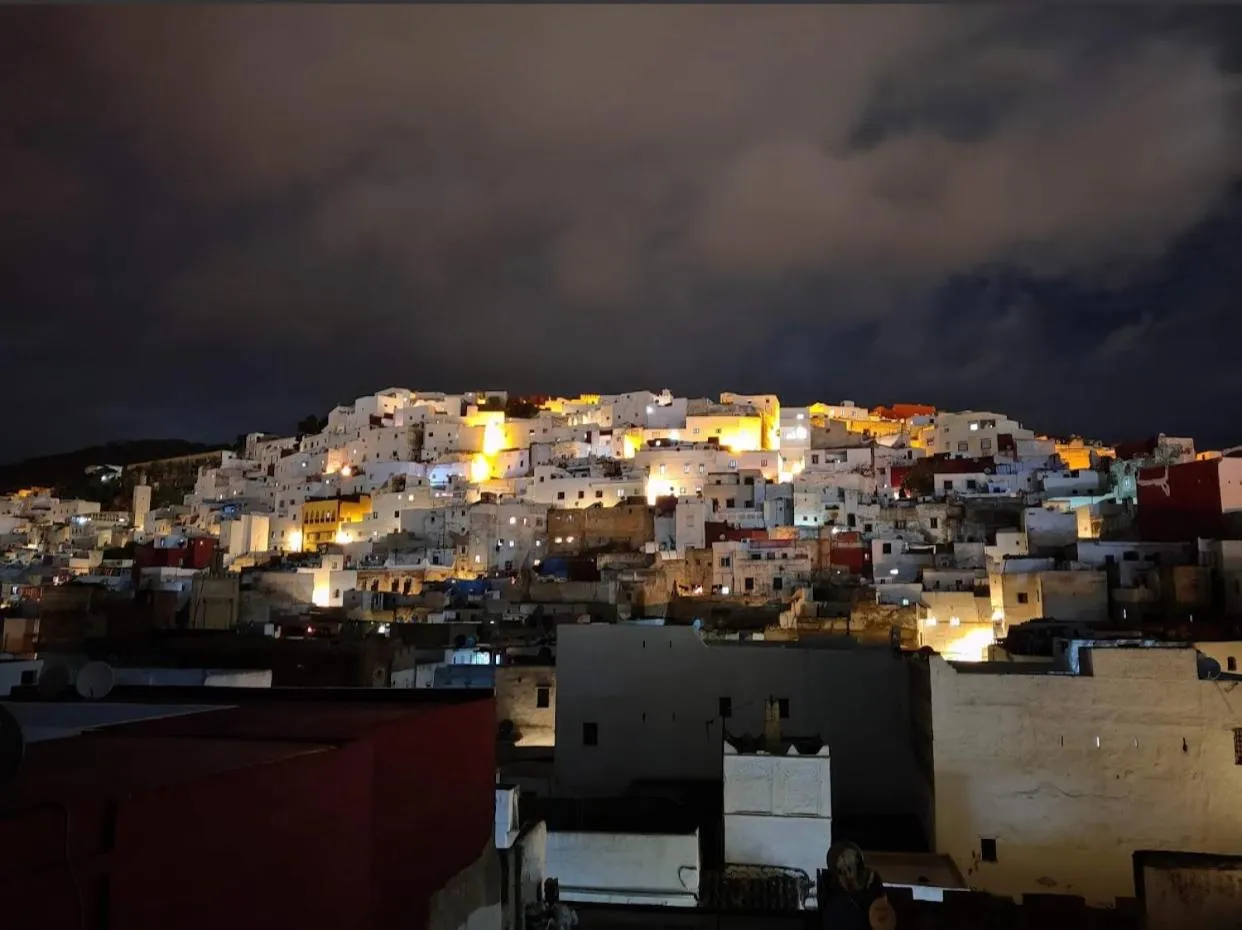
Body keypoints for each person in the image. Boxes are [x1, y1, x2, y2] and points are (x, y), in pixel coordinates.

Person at [819, 842, 896, 930]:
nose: (843, 859)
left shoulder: (872, 880)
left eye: (845, 855)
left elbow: (883, 913)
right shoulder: (834, 895)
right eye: (840, 858)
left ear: (857, 857)